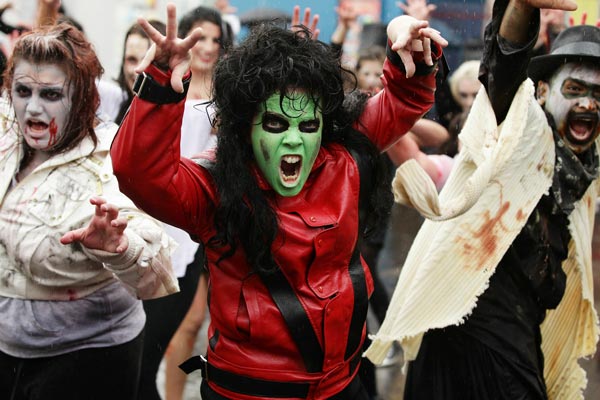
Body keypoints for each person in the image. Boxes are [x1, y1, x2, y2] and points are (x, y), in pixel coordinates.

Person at [110, 3, 447, 399]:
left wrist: (404, 35)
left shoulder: (344, 157)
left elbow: (404, 97)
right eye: (275, 123)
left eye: (307, 125)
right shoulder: (217, 183)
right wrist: (159, 82)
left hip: (340, 385)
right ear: (246, 125)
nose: (292, 140)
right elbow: (139, 173)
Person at [366, 0, 600, 399]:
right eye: (574, 90)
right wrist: (521, 9)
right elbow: (505, 66)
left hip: (515, 324)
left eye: (598, 94)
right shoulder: (522, 128)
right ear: (542, 92)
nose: (587, 104)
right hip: (470, 318)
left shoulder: (584, 167)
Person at [0, 23, 178, 400]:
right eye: (23, 91)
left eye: (50, 94)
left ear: (81, 96)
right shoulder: (5, 133)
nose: (32, 106)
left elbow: (156, 266)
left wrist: (118, 247)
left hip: (85, 360)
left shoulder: (110, 158)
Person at [145, 6, 231, 400]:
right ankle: (167, 391)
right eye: (201, 37)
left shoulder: (230, 94)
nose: (208, 47)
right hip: (170, 222)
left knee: (197, 319)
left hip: (214, 222)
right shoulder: (171, 87)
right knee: (183, 319)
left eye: (216, 39)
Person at [114, 19, 167, 124]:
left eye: (149, 61)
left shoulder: (180, 117)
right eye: (131, 60)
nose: (138, 70)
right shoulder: (113, 107)